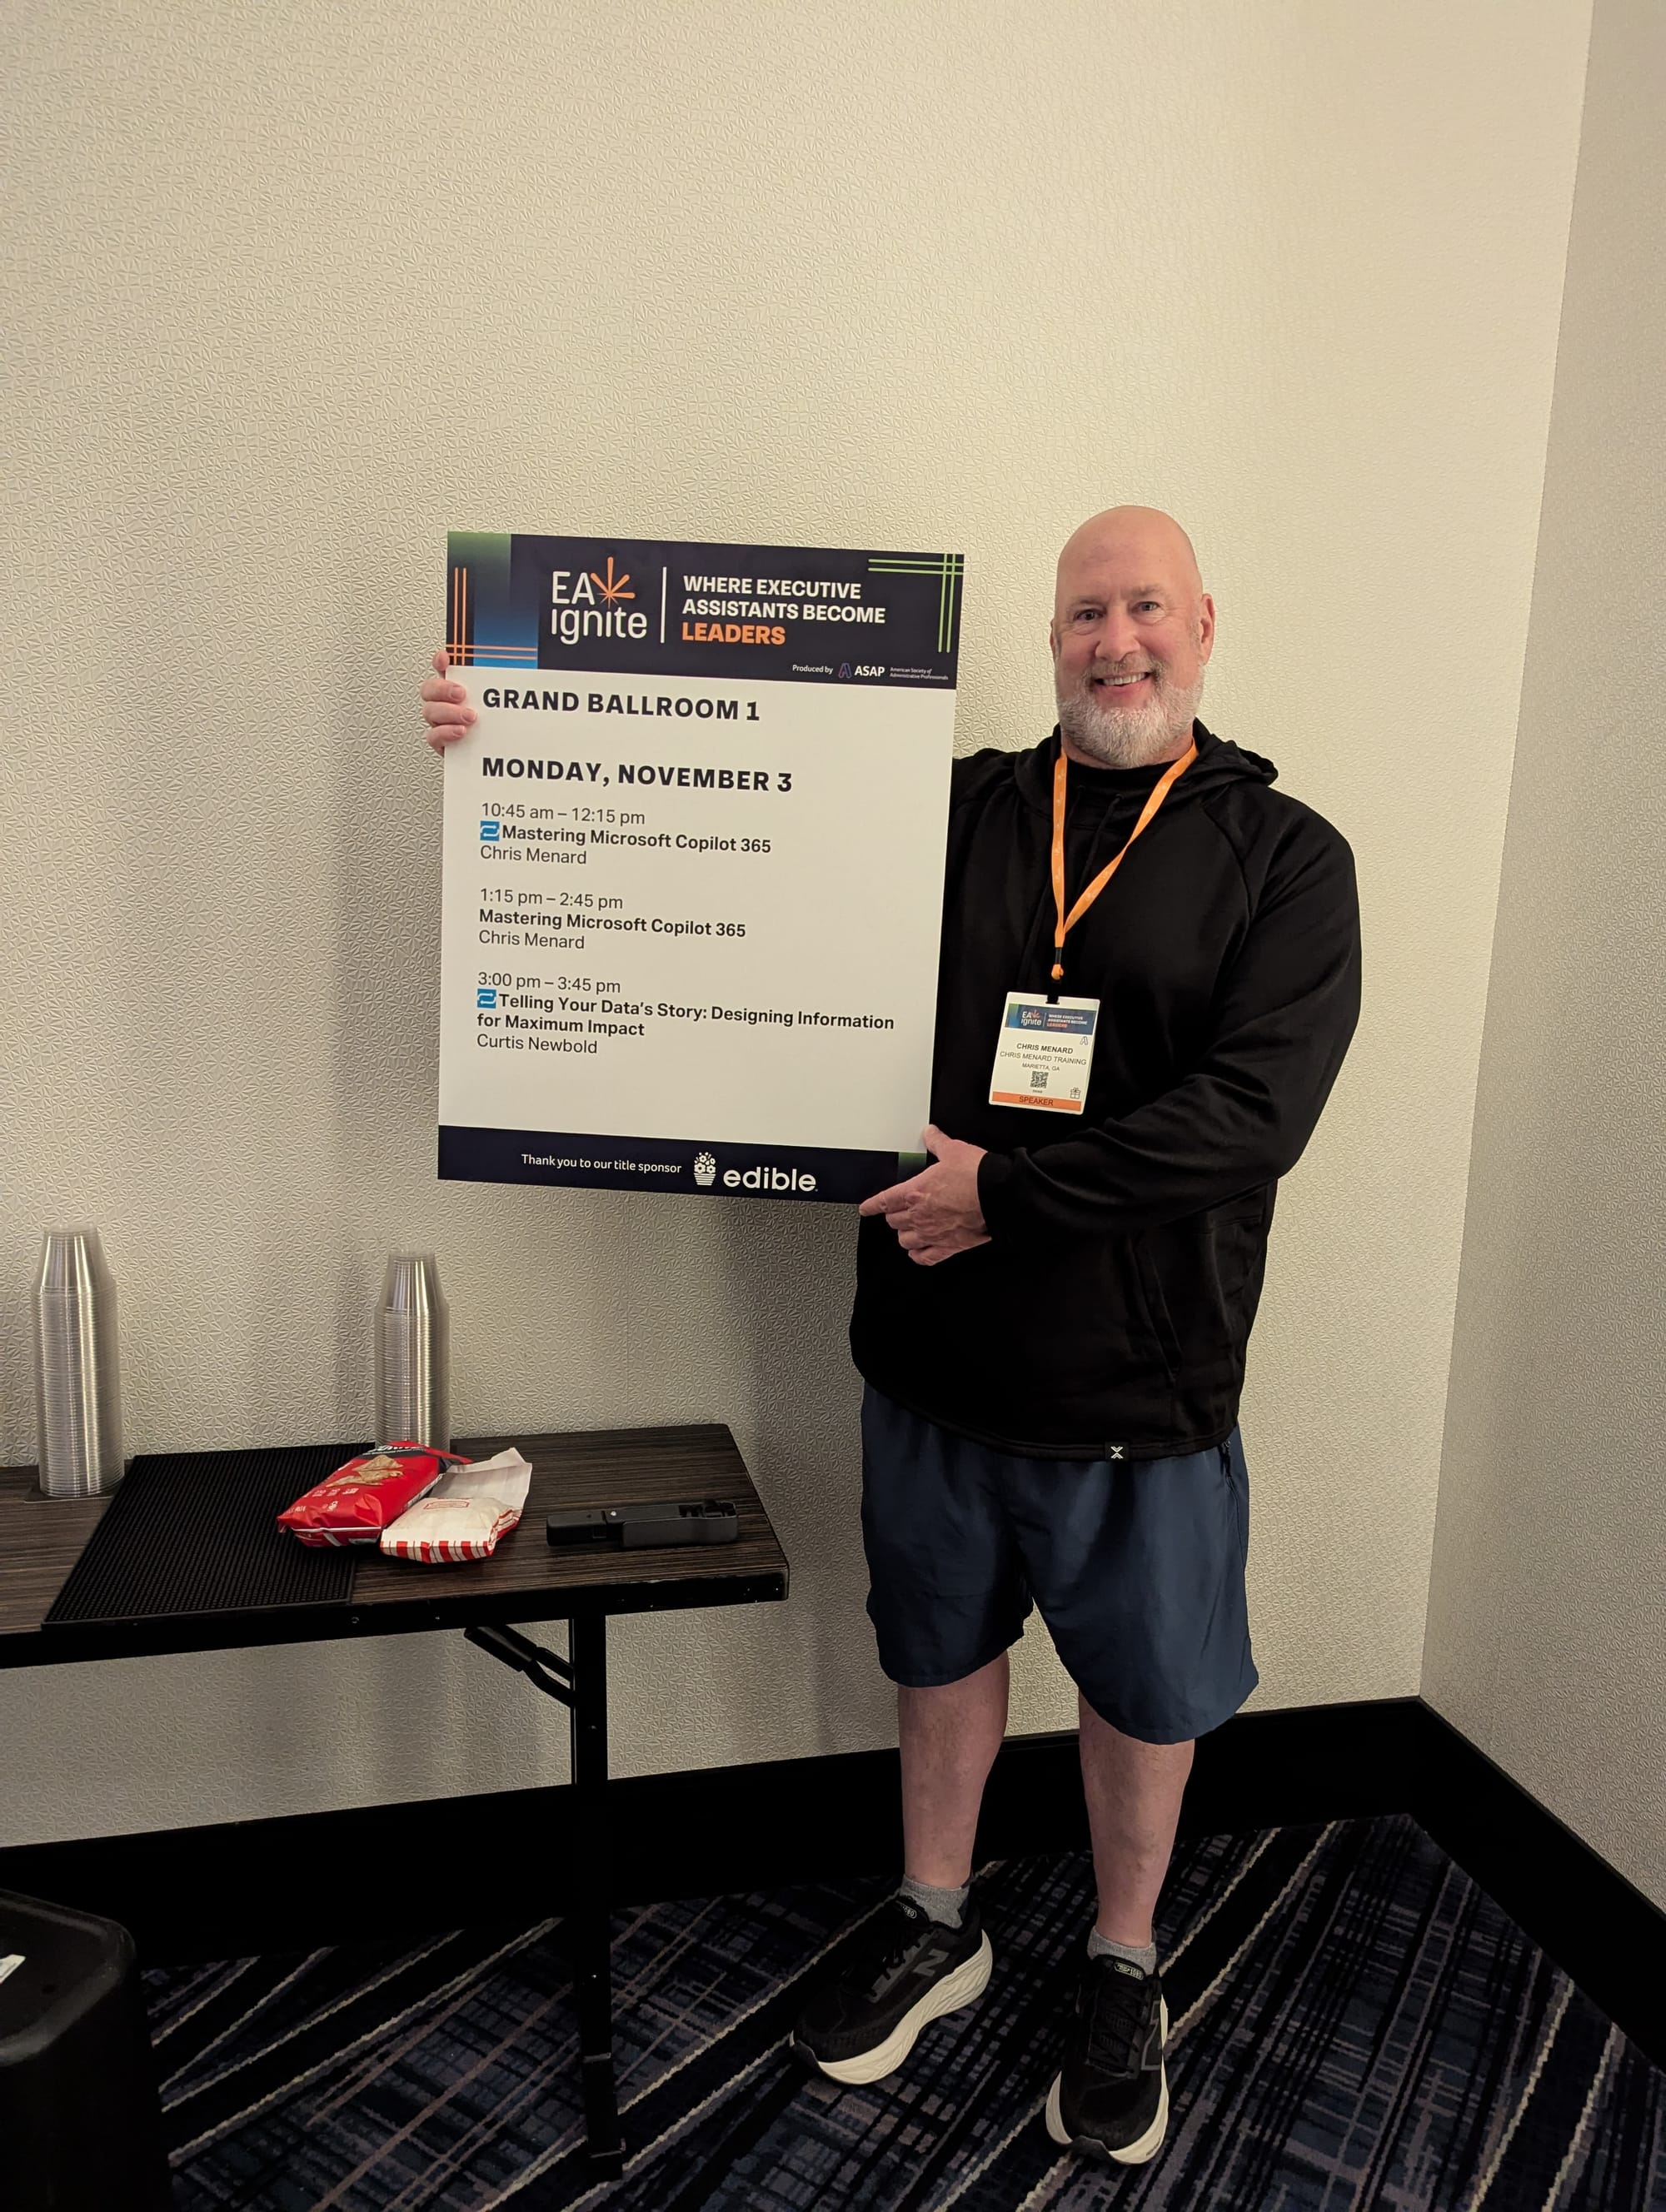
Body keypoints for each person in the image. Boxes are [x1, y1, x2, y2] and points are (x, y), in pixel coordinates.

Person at [419, 506, 1360, 2168]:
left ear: (1204, 624)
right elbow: (727, 837)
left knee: (1146, 1693)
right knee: (935, 1650)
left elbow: (1250, 1116)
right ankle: (936, 1918)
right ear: (1050, 637)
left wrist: (1012, 1195)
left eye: (1145, 607)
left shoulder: (1287, 857)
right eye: (1084, 612)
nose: (1115, 640)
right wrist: (521, 739)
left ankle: (1123, 1957)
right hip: (932, 1353)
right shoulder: (958, 808)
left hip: (1142, 1386)